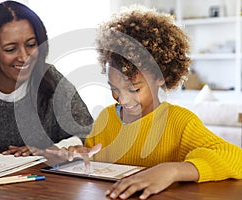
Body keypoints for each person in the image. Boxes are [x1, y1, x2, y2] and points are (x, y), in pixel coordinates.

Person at [51, 6, 242, 199]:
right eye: (114, 89)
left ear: (161, 77)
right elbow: (93, 156)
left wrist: (172, 171)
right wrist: (81, 153)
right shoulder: (106, 117)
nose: (123, 99)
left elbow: (235, 157)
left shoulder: (180, 122)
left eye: (134, 89)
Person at [0, 0, 93, 163]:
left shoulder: (51, 79)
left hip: (39, 184)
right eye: (10, 49)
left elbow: (87, 135)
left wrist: (51, 149)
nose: (24, 57)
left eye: (31, 45)